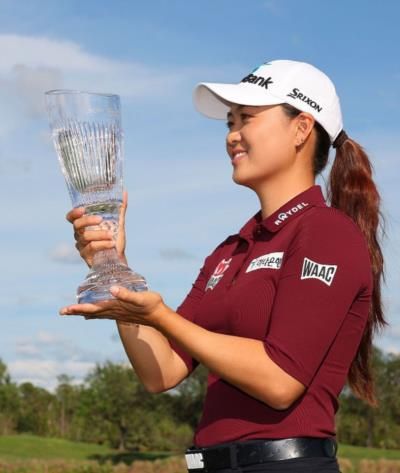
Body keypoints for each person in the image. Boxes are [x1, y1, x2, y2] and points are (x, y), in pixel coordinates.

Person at [61, 59, 388, 473]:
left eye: (246, 118)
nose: (232, 135)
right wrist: (114, 269)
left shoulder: (326, 232)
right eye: (229, 122)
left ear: (302, 128)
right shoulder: (229, 251)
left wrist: (161, 315)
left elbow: (280, 380)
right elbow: (160, 372)